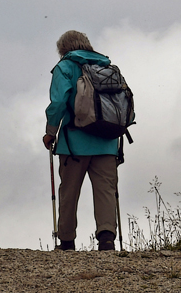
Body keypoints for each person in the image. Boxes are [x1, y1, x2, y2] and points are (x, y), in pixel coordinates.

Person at [42, 30, 123, 251]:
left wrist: (50, 132)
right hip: (107, 141)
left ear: (63, 49)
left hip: (74, 143)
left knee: (69, 191)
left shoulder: (65, 67)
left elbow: (58, 102)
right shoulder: (106, 67)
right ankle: (107, 239)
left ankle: (67, 241)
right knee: (106, 190)